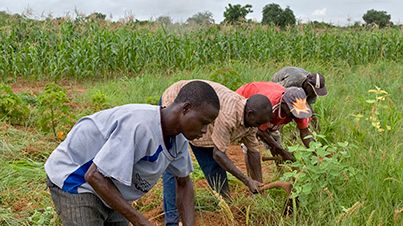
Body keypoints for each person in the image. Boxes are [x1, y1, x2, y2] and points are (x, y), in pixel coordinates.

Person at [44, 81, 220, 226]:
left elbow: (183, 183)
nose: (205, 130)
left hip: (109, 187)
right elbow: (94, 175)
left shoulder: (178, 138)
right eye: (203, 122)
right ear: (186, 108)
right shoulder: (139, 126)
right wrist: (140, 221)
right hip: (76, 179)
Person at [162, 79, 274, 226]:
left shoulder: (251, 120)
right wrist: (247, 181)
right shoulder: (228, 116)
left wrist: (259, 185)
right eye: (258, 123)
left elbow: (253, 151)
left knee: (214, 168)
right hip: (177, 103)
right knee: (173, 165)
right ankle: (171, 220)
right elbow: (219, 154)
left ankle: (227, 206)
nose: (259, 127)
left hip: (204, 126)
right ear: (251, 114)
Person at [236, 82, 314, 161]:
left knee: (275, 138)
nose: (296, 117)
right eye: (293, 113)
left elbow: (305, 132)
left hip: (267, 97)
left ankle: (280, 170)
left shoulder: (299, 107)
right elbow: (259, 131)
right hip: (244, 98)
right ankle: (252, 173)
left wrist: (316, 153)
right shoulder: (269, 106)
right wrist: (281, 151)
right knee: (250, 145)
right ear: (284, 104)